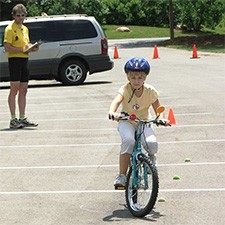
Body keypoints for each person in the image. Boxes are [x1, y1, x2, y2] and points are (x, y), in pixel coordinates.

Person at [108, 57, 163, 187]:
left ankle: (151, 160)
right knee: (129, 141)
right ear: (128, 77)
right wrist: (112, 112)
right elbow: (116, 101)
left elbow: (158, 108)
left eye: (140, 78)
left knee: (151, 143)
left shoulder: (150, 91)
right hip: (127, 121)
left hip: (143, 122)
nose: (136, 81)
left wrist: (160, 118)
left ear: (145, 78)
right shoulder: (125, 89)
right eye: (133, 78)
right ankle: (122, 175)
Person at [4, 4, 39, 129]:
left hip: (25, 60)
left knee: (24, 90)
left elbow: (26, 45)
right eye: (18, 15)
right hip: (14, 60)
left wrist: (32, 48)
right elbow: (7, 47)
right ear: (13, 16)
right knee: (14, 89)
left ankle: (22, 117)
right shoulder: (9, 29)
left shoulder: (25, 29)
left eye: (23, 15)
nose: (20, 17)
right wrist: (22, 49)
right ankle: (13, 119)